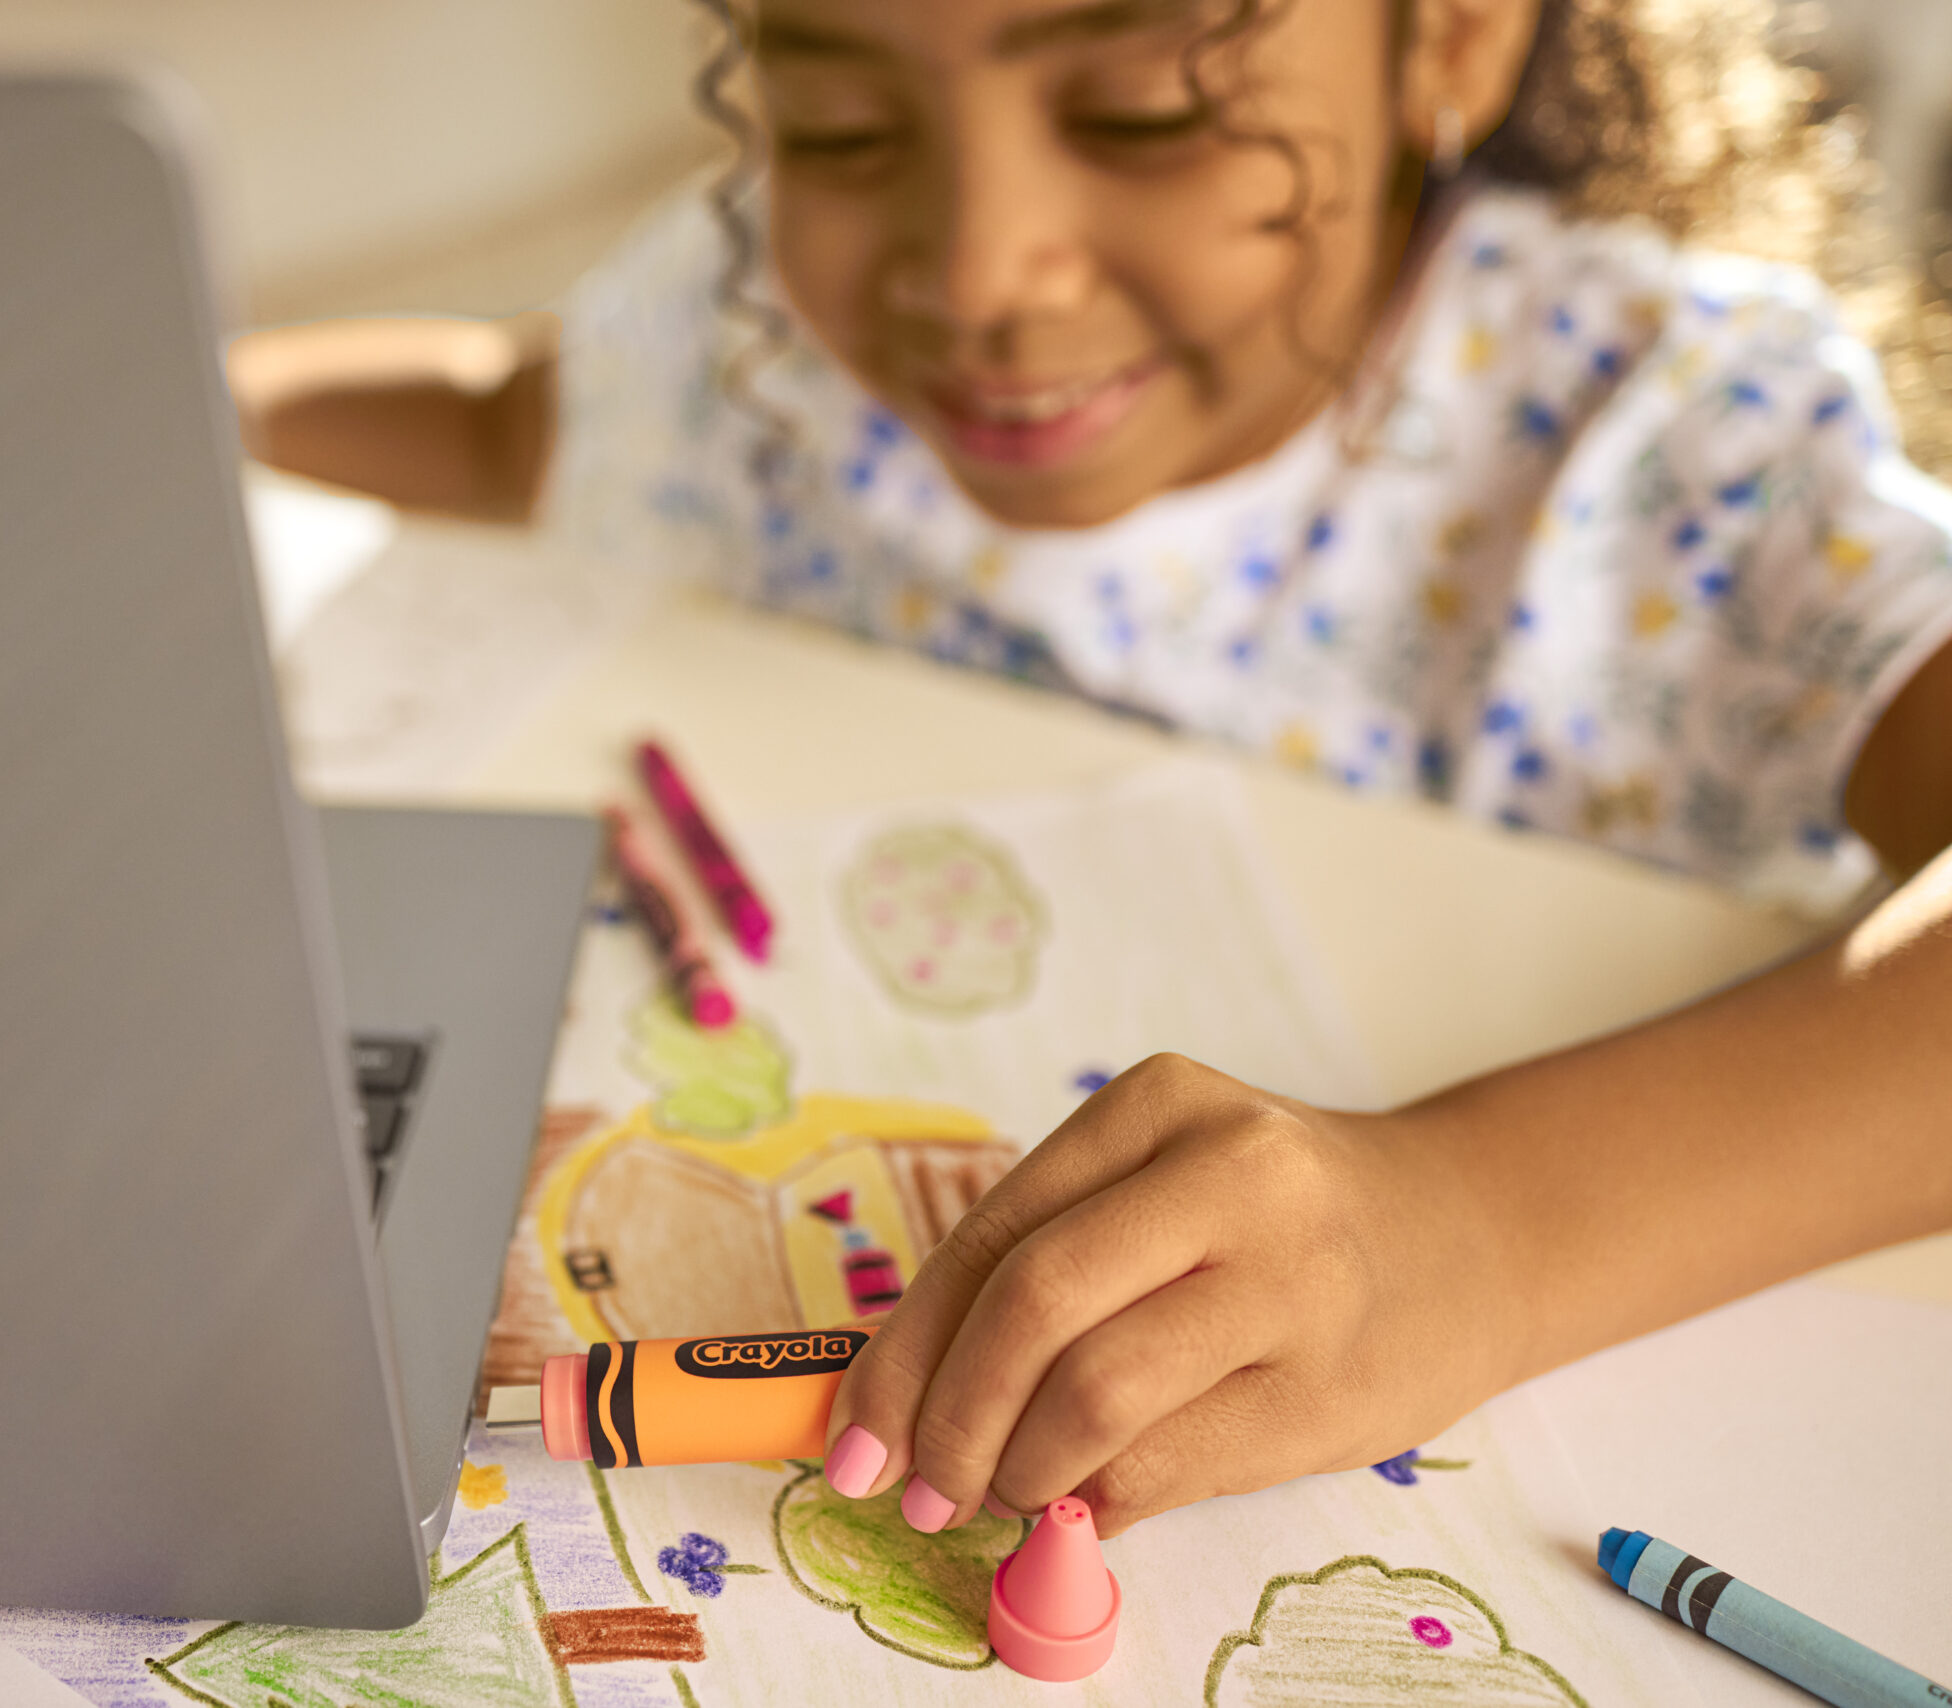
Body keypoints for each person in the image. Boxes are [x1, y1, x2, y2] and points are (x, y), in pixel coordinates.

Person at [231, 0, 1952, 1538]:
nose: (981, 273)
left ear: (1450, 32)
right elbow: (498, 417)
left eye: (1145, 110)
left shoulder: (1677, 457)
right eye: (843, 127)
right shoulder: (757, 357)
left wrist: (1482, 1226)